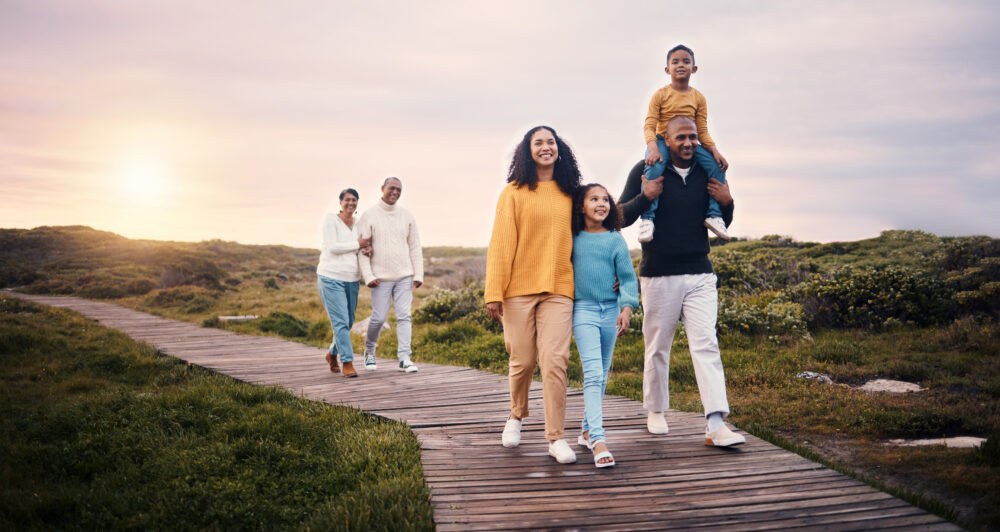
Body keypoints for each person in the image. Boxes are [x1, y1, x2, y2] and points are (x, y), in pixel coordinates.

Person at [619, 115, 746, 447]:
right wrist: (645, 197)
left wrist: (728, 201)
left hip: (700, 272)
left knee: (706, 344)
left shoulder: (708, 169)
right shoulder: (647, 168)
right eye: (681, 138)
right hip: (658, 273)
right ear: (666, 139)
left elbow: (721, 220)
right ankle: (656, 410)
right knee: (658, 347)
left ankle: (716, 423)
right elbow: (620, 216)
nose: (688, 143)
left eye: (693, 137)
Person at [485, 125, 581, 464]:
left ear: (559, 149)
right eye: (538, 142)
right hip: (517, 290)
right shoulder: (512, 192)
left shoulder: (572, 192)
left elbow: (598, 228)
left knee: (555, 361)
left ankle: (556, 438)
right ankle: (516, 415)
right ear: (527, 151)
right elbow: (501, 244)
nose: (545, 147)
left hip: (559, 287)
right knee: (522, 360)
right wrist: (493, 292)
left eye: (550, 142)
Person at [570, 183, 638, 468]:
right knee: (594, 373)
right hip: (583, 309)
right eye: (594, 199)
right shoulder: (571, 238)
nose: (601, 203)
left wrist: (626, 307)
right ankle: (598, 439)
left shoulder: (615, 239)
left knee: (603, 373)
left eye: (605, 199)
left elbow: (627, 277)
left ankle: (586, 430)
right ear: (581, 206)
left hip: (610, 310)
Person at [640, 44, 731, 243]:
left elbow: (702, 130)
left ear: (694, 68)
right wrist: (654, 148)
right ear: (667, 69)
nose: (681, 65)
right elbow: (649, 125)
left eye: (686, 61)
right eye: (675, 62)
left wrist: (715, 151)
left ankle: (714, 215)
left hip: (689, 142)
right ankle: (647, 219)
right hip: (662, 141)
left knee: (718, 167)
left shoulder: (698, 98)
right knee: (654, 168)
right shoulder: (660, 95)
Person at [357, 177, 423, 373]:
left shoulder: (407, 216)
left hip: (404, 276)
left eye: (399, 189)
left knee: (404, 316)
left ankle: (405, 358)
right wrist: (368, 276)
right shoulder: (369, 216)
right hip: (380, 279)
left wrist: (418, 273)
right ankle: (369, 352)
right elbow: (362, 250)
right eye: (391, 188)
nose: (395, 192)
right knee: (378, 318)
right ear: (382, 189)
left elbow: (415, 247)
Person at [316, 188, 371, 378]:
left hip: (352, 279)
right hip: (331, 277)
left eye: (354, 200)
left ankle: (332, 354)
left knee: (347, 322)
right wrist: (359, 244)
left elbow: (362, 246)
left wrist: (367, 249)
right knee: (340, 322)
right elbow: (333, 247)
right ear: (340, 202)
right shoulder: (330, 220)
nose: (351, 203)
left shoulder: (359, 224)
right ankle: (347, 362)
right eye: (347, 199)